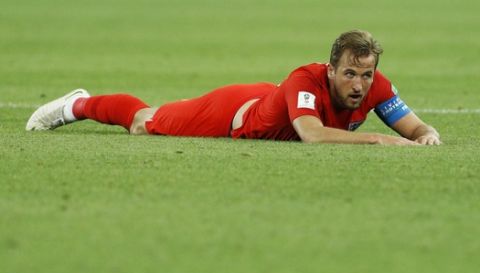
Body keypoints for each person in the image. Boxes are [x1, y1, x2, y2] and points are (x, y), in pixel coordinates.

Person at [26, 30, 441, 145]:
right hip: (235, 114)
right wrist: (376, 141)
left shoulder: (375, 85)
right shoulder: (305, 79)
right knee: (143, 122)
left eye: (366, 75)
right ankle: (77, 105)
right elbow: (311, 135)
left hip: (266, 101)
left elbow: (414, 128)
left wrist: (426, 135)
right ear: (331, 69)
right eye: (349, 73)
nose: (359, 84)